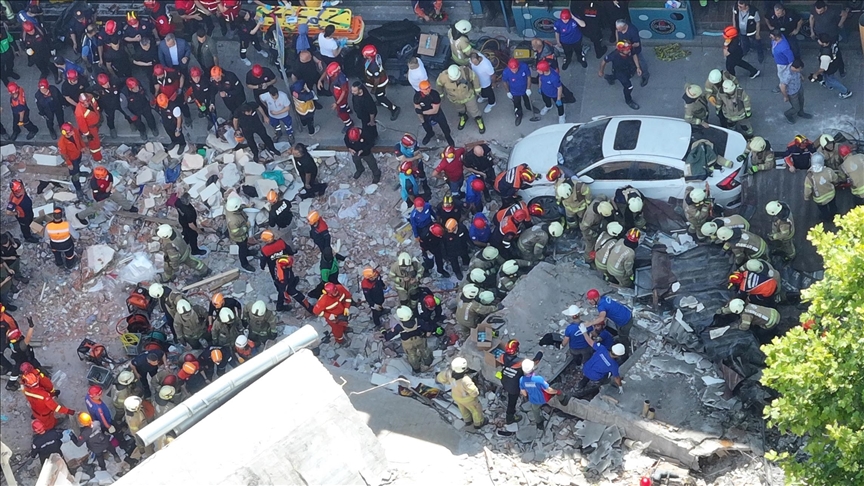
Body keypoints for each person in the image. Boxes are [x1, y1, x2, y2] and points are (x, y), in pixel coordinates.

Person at [499, 340, 542, 425]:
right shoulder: (520, 362)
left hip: (505, 380)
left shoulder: (503, 357)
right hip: (514, 387)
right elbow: (534, 363)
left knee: (510, 394)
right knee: (512, 402)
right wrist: (540, 353)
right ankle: (510, 418)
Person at [436, 357, 486, 429]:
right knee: (476, 410)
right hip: (468, 399)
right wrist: (476, 394)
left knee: (463, 409)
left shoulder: (449, 372)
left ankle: (467, 420)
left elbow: (440, 378)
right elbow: (474, 392)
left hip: (456, 396)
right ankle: (478, 423)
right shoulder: (465, 380)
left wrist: (447, 381)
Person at [436, 64, 485, 134]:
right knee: (460, 110)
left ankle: (479, 120)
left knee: (474, 110)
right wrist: (441, 95)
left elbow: (474, 78)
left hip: (468, 96)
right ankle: (463, 117)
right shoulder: (442, 77)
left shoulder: (466, 71)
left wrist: (477, 89)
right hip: (455, 99)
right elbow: (438, 85)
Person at [361, 45, 400, 120]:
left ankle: (394, 108)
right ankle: (380, 100)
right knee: (380, 95)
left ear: (369, 56)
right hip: (380, 80)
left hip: (379, 84)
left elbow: (377, 79)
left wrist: (374, 88)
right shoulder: (375, 58)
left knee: (381, 97)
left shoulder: (374, 66)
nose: (363, 56)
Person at [598, 41, 641, 110]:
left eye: (629, 49)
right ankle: (629, 100)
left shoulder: (629, 50)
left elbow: (634, 55)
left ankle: (610, 78)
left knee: (617, 76)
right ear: (621, 51)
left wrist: (638, 67)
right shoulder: (614, 55)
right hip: (620, 72)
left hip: (629, 68)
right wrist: (601, 71)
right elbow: (604, 61)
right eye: (627, 50)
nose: (629, 50)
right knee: (629, 87)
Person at [519, 359, 559, 428]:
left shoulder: (522, 380)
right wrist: (557, 391)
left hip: (534, 400)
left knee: (535, 411)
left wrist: (528, 395)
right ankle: (559, 404)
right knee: (555, 386)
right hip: (545, 399)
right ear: (532, 368)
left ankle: (539, 423)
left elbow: (524, 393)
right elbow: (548, 390)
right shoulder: (538, 379)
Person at [414, 80, 455, 146]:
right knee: (426, 125)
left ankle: (448, 136)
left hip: (436, 113)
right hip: (425, 113)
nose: (428, 90)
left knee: (444, 124)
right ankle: (430, 133)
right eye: (425, 89)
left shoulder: (434, 94)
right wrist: (422, 120)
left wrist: (422, 112)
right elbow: (417, 108)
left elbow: (435, 110)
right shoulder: (417, 97)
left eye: (429, 87)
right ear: (421, 90)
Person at [811, 34, 851, 99]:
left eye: (819, 40)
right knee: (828, 78)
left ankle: (846, 92)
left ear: (824, 43)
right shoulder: (833, 42)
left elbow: (822, 69)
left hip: (829, 68)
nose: (818, 41)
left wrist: (815, 74)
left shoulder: (825, 55)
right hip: (835, 63)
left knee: (831, 80)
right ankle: (828, 85)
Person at [803, 152, 839, 223]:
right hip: (831, 195)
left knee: (824, 210)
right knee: (833, 206)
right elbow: (836, 179)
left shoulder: (809, 177)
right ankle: (835, 216)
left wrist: (806, 197)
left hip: (820, 200)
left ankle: (826, 219)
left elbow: (807, 190)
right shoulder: (829, 171)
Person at [319, 62, 354, 131]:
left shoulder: (342, 80)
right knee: (343, 105)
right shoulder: (331, 72)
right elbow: (326, 72)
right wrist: (320, 80)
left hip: (341, 97)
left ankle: (348, 123)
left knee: (341, 112)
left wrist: (337, 103)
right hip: (336, 94)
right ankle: (347, 109)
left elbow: (344, 92)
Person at [224, 197, 255, 272]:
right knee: (242, 249)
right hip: (239, 238)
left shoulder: (230, 208)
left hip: (243, 232)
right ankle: (244, 264)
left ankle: (247, 252)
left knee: (245, 246)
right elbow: (236, 233)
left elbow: (239, 207)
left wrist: (246, 206)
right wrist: (246, 227)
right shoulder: (233, 221)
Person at [615, 20, 648, 86]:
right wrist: (617, 41)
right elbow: (616, 31)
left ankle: (645, 76)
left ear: (624, 26)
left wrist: (628, 46)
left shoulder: (633, 31)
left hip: (634, 49)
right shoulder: (619, 29)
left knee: (641, 62)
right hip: (624, 49)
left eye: (619, 29)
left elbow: (637, 44)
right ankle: (632, 70)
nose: (618, 30)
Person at [501, 58, 533, 126]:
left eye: (516, 69)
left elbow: (528, 77)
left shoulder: (524, 66)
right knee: (517, 104)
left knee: (527, 99)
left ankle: (529, 107)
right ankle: (519, 114)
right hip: (514, 91)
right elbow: (504, 82)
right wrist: (508, 92)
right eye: (512, 69)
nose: (514, 71)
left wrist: (528, 88)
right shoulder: (506, 72)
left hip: (525, 89)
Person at [780, 59, 811, 124]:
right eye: (800, 69)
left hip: (799, 87)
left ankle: (801, 113)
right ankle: (788, 114)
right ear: (795, 68)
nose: (800, 70)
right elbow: (782, 86)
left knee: (801, 101)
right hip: (792, 93)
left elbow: (798, 73)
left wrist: (801, 76)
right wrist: (785, 96)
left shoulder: (794, 66)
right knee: (796, 108)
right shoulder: (787, 75)